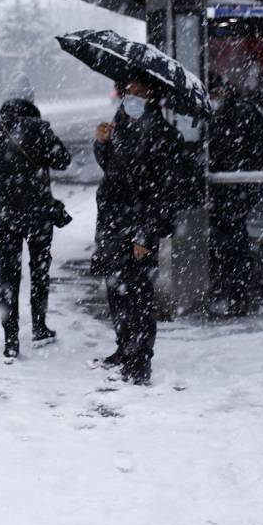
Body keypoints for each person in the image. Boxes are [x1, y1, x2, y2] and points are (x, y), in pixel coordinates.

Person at [91, 78, 191, 384]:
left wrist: (146, 234)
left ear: (152, 95)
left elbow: (164, 191)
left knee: (139, 296)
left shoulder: (163, 134)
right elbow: (112, 170)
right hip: (112, 223)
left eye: (140, 92)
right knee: (117, 292)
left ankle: (140, 361)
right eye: (129, 91)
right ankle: (124, 348)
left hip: (140, 226)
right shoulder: (120, 125)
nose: (133, 96)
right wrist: (102, 143)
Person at [0, 78, 72, 360]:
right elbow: (63, 161)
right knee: (39, 271)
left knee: (8, 276)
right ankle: (39, 328)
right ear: (31, 101)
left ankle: (10, 340)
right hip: (38, 215)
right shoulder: (41, 130)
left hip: (3, 215)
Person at [207, 74, 263, 313]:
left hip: (231, 187)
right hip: (236, 187)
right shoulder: (245, 111)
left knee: (230, 239)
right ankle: (236, 291)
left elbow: (252, 148)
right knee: (233, 238)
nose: (213, 100)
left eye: (214, 95)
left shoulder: (232, 115)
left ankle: (234, 291)